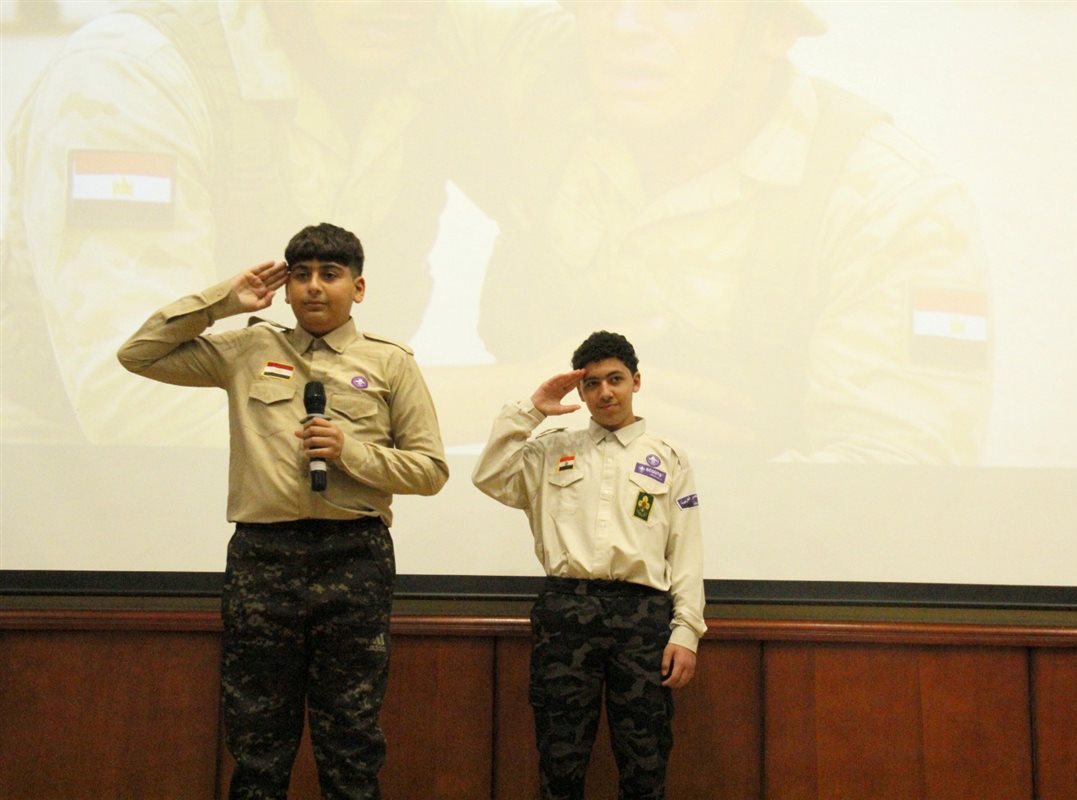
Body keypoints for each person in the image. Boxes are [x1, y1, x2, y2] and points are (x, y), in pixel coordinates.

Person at [464, 0, 993, 464]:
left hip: (753, 542)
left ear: (772, 28)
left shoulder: (895, 209)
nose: (624, 24)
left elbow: (901, 478)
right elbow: (433, 29)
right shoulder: (552, 107)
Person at [4, 0, 450, 445]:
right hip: (71, 467)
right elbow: (144, 397)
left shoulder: (423, 66)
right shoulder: (132, 74)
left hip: (318, 464)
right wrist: (432, 414)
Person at [117, 223, 449, 797]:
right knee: (257, 739)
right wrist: (223, 301)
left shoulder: (390, 362)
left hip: (354, 557)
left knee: (350, 738)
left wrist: (352, 452)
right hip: (263, 557)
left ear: (358, 288)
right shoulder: (248, 350)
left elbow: (431, 470)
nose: (313, 287)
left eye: (330, 274)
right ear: (287, 288)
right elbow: (138, 354)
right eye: (301, 275)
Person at [472, 330, 704, 800]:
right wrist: (532, 410)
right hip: (566, 610)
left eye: (615, 379)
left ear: (636, 381)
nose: (605, 392)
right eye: (592, 383)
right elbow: (490, 476)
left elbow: (685, 550)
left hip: (642, 616)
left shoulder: (668, 457)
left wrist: (687, 631)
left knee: (645, 760)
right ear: (580, 391)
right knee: (560, 758)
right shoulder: (551, 449)